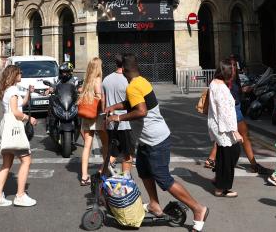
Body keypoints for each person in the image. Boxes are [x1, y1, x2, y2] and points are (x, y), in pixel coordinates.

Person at [105, 54, 209, 231]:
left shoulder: (132, 87)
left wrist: (118, 117)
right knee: (144, 172)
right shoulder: (141, 81)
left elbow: (141, 111)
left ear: (123, 70)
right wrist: (115, 106)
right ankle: (154, 204)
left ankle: (198, 209)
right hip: (148, 140)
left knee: (163, 179)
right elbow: (133, 103)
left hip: (156, 140)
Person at [204, 57, 263, 174]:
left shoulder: (230, 80)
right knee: (243, 137)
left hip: (234, 108)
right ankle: (253, 164)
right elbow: (225, 103)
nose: (235, 68)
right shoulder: (224, 82)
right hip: (233, 110)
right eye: (233, 66)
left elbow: (236, 93)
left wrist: (244, 90)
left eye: (235, 65)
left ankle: (213, 161)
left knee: (225, 139)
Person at [0, 65, 37, 208]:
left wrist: (28, 93)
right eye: (19, 72)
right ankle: (20, 196)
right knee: (26, 160)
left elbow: (21, 103)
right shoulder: (13, 90)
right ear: (14, 75)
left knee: (6, 164)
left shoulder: (8, 90)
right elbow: (16, 112)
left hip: (7, 128)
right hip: (14, 130)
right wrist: (29, 119)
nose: (21, 74)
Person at [207, 60, 243, 197]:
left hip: (218, 124)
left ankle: (219, 180)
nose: (234, 74)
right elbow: (223, 111)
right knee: (231, 153)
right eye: (233, 71)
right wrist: (235, 131)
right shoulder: (221, 88)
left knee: (223, 154)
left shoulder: (214, 83)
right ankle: (222, 187)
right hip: (223, 127)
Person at [102, 54, 134, 176]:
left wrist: (105, 118)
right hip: (126, 122)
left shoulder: (106, 79)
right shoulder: (128, 80)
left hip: (111, 122)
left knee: (113, 153)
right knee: (127, 154)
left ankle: (102, 174)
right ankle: (125, 179)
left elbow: (103, 102)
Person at [78, 57, 107, 185]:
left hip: (86, 114)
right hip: (96, 115)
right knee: (105, 143)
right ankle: (104, 171)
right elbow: (100, 98)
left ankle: (84, 176)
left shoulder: (86, 80)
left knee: (87, 146)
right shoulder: (97, 80)